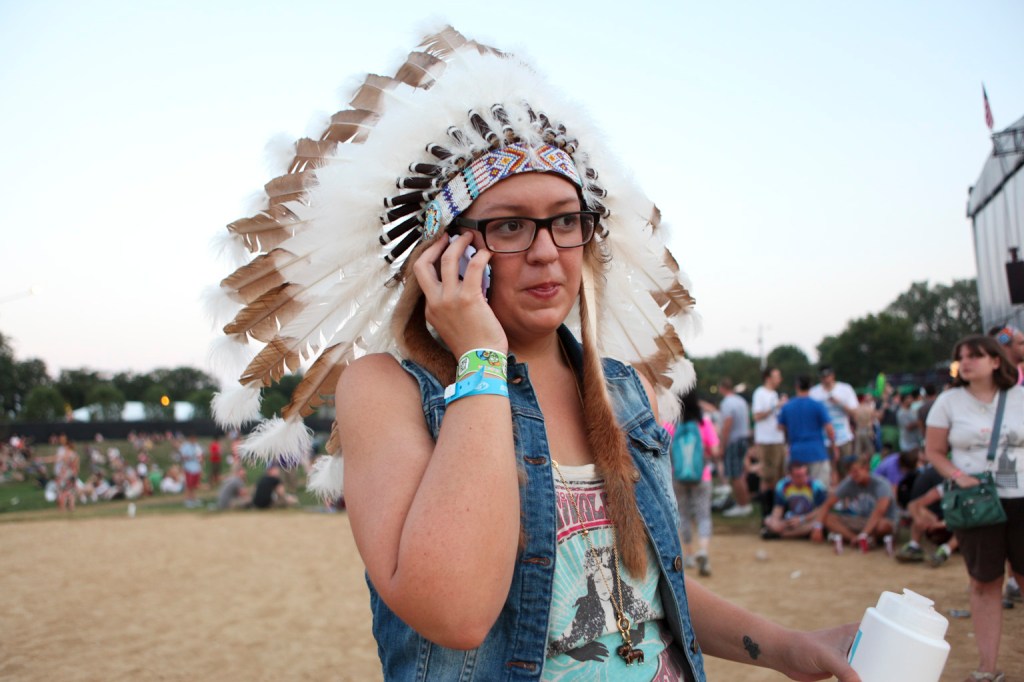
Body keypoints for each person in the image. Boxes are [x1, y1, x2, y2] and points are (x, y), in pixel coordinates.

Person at [210, 27, 859, 681]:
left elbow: (647, 591)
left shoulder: (624, 391)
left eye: (566, 220)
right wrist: (480, 357)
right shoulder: (388, 391)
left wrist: (785, 647)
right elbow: (455, 613)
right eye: (510, 225)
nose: (547, 251)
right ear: (445, 250)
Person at [924, 334, 1024, 681]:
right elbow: (934, 450)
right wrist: (958, 475)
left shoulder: (1020, 397)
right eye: (961, 356)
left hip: (1021, 497)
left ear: (996, 361)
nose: (965, 362)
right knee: (984, 582)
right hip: (976, 501)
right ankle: (987, 669)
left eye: (974, 356)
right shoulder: (948, 401)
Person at [670, 391, 717, 577]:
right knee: (703, 515)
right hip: (702, 476)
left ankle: (688, 554)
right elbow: (715, 450)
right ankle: (703, 550)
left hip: (678, 476)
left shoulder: (672, 424)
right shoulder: (704, 423)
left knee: (683, 514)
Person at [812, 456, 896, 553]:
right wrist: (818, 526)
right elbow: (827, 504)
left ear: (866, 468)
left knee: (883, 525)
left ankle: (866, 538)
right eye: (850, 472)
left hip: (881, 520)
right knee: (828, 518)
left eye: (856, 471)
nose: (853, 475)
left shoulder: (882, 484)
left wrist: (864, 533)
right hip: (859, 519)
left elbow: (879, 512)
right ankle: (856, 539)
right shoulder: (849, 482)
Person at [777, 375, 837, 488]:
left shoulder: (787, 406)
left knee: (799, 489)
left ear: (796, 386)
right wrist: (834, 447)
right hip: (817, 452)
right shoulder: (817, 405)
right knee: (819, 488)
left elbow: (780, 427)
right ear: (810, 387)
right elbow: (830, 430)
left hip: (796, 452)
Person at [762, 461, 829, 540]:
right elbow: (778, 508)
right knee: (768, 520)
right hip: (790, 519)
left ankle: (782, 535)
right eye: (798, 476)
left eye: (804, 475)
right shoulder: (783, 485)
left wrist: (801, 519)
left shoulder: (816, 486)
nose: (802, 478)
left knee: (819, 522)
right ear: (790, 476)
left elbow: (821, 509)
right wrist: (775, 521)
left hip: (808, 519)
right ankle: (798, 533)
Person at [751, 367, 786, 519]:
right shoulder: (760, 393)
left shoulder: (774, 394)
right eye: (777, 376)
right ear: (768, 378)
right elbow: (757, 416)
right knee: (767, 477)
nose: (780, 379)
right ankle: (766, 514)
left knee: (778, 476)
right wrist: (775, 406)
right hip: (766, 441)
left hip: (778, 439)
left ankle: (775, 512)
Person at [809, 366, 858, 469]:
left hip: (843, 438)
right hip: (822, 440)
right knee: (824, 471)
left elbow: (855, 413)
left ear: (833, 375)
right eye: (823, 377)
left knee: (845, 470)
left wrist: (840, 403)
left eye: (828, 376)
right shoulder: (814, 392)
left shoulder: (845, 389)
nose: (826, 379)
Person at [718, 378, 754, 518]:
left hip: (733, 441)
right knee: (740, 473)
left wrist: (722, 445)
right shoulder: (741, 401)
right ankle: (744, 502)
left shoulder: (727, 403)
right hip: (743, 439)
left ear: (722, 388)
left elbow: (727, 424)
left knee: (735, 475)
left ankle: (742, 505)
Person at [177, 434, 203, 508]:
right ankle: (187, 500)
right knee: (189, 485)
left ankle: (193, 499)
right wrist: (190, 457)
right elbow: (182, 457)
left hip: (196, 468)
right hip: (189, 468)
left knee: (194, 486)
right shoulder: (185, 446)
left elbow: (201, 456)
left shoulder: (197, 446)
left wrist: (200, 459)